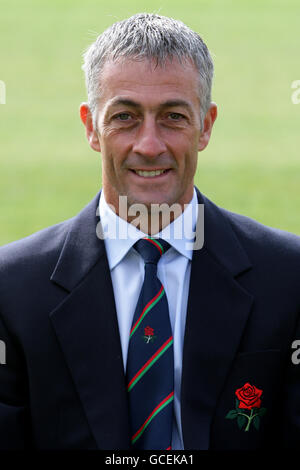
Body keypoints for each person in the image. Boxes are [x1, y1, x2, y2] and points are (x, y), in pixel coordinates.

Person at [0, 13, 300, 451]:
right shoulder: (12, 290)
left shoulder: (289, 278)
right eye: (125, 116)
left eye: (173, 117)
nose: (149, 145)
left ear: (206, 125)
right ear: (90, 127)